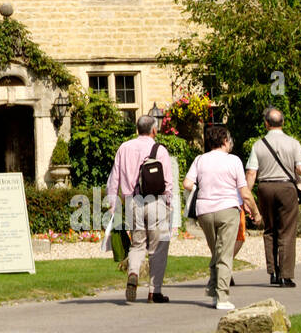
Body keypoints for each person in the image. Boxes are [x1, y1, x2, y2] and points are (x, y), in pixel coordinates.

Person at [184, 125, 263, 311]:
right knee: (225, 254)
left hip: (204, 211)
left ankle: (212, 291)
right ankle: (222, 296)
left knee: (217, 252)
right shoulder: (233, 161)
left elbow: (187, 183)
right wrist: (256, 212)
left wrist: (200, 189)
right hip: (227, 209)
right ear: (225, 141)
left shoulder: (200, 160)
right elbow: (244, 192)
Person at [106, 114, 178, 303]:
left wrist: (113, 204)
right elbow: (168, 182)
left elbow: (114, 178)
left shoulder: (124, 148)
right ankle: (155, 292)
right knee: (158, 247)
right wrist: (169, 205)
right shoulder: (160, 150)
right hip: (155, 202)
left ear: (137, 129)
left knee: (137, 244)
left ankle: (133, 272)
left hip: (132, 202)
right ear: (154, 130)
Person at [245, 107, 301, 287]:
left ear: (266, 124)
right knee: (287, 230)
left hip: (265, 187)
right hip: (286, 187)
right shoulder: (293, 143)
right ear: (283, 123)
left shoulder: (258, 145)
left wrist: (246, 195)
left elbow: (251, 173)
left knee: (270, 229)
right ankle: (285, 275)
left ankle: (272, 271)